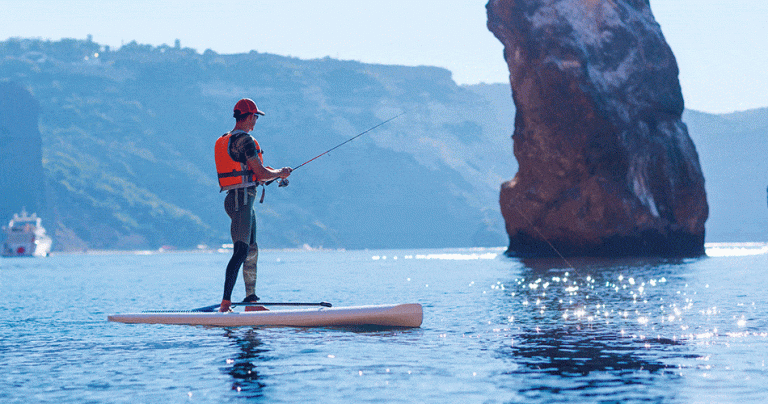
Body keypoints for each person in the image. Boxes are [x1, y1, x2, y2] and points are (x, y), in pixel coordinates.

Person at [214, 98, 292, 312]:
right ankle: (225, 304)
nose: (256, 121)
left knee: (251, 249)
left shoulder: (229, 139)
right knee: (241, 250)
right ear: (248, 117)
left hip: (240, 199)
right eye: (256, 117)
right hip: (241, 200)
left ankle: (251, 301)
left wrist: (274, 174)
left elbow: (257, 175)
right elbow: (261, 173)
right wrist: (280, 173)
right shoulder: (246, 140)